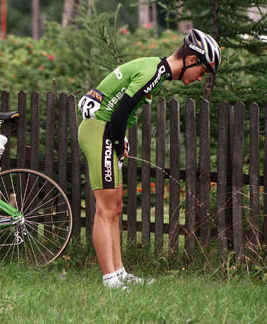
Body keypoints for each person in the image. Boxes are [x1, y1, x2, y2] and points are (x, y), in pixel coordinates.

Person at [78, 29, 221, 289]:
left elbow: (118, 105)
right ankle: (110, 280)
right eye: (201, 71)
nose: (200, 78)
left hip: (105, 131)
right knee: (105, 208)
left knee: (116, 206)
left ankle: (119, 272)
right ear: (190, 60)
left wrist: (121, 140)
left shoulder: (156, 70)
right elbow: (119, 113)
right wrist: (118, 143)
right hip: (99, 130)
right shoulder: (153, 73)